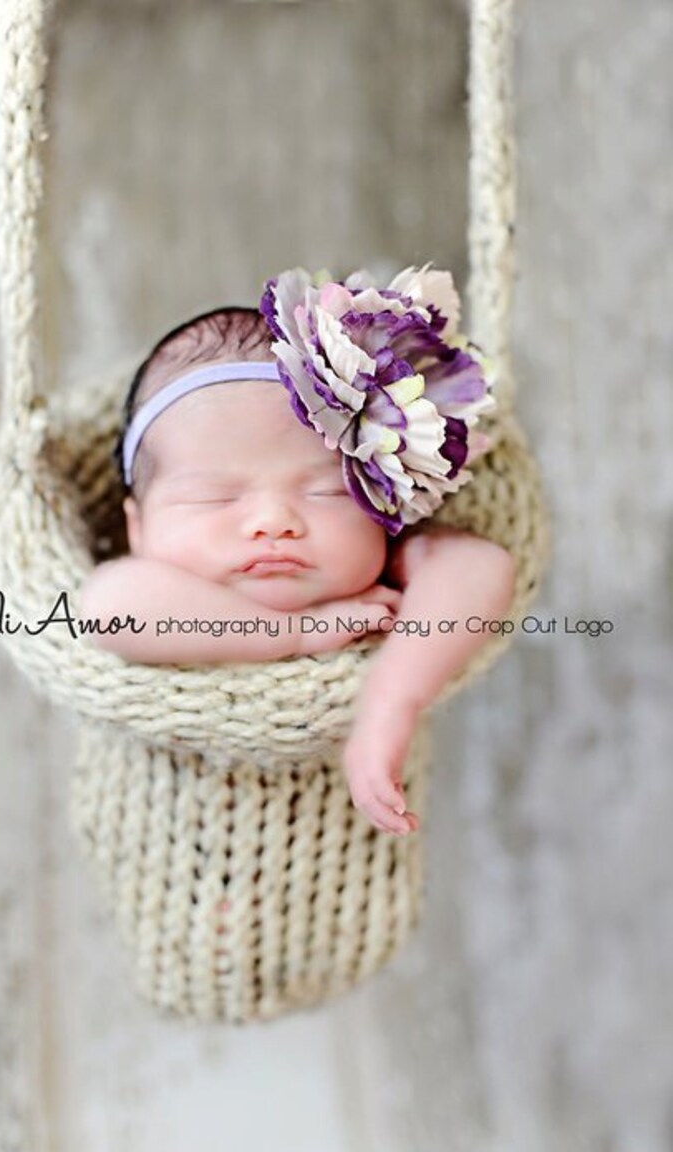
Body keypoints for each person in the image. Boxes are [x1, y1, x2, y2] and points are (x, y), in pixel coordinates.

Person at [79, 269, 516, 837]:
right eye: (214, 496)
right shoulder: (151, 585)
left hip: (345, 859)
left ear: (385, 501)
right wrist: (297, 634)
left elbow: (482, 568)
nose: (273, 522)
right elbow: (107, 607)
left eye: (327, 491)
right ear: (135, 528)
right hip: (170, 831)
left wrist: (391, 700)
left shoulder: (383, 569)